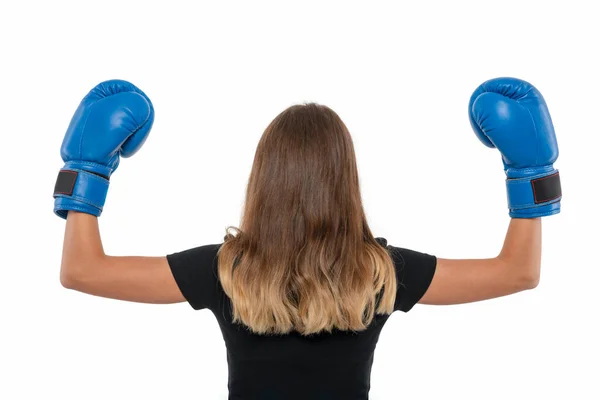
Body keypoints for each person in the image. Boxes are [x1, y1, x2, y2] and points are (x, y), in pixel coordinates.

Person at [53, 77, 561, 400]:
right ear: (347, 179)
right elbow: (517, 272)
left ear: (263, 178)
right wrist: (528, 173)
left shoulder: (226, 271)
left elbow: (83, 271)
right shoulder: (379, 273)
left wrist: (86, 171)